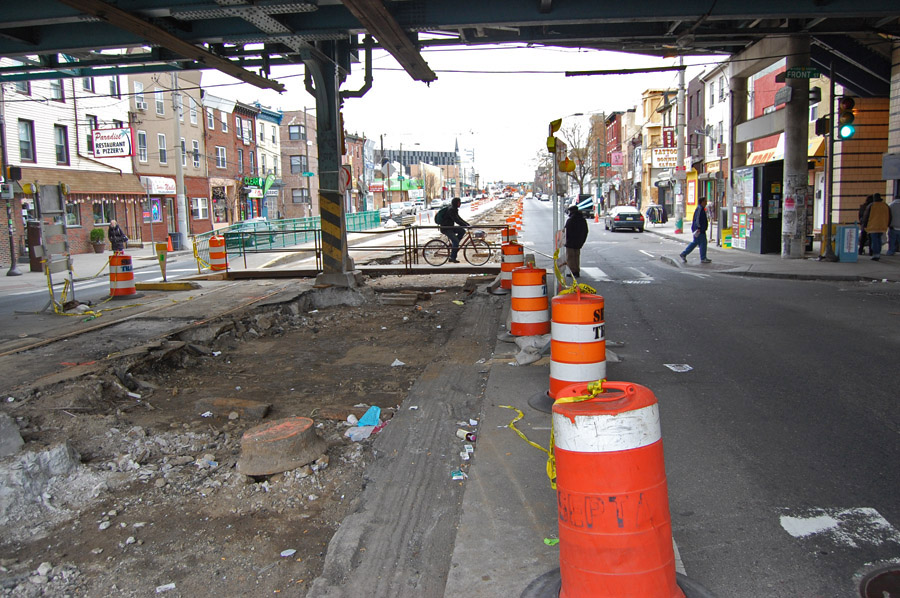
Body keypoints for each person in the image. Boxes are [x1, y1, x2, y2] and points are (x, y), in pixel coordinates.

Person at [679, 197, 710, 264]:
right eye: (705, 201)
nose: (706, 203)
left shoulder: (701, 209)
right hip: (699, 230)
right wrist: (699, 228)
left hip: (699, 229)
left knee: (696, 242)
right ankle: (703, 258)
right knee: (703, 243)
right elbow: (697, 219)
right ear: (702, 202)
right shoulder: (699, 209)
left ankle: (684, 254)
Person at [862, 193, 891, 261]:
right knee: (879, 240)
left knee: (874, 240)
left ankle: (876, 254)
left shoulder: (871, 205)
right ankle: (878, 252)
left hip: (873, 226)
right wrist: (887, 224)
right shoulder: (885, 205)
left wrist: (864, 225)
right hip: (882, 226)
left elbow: (866, 216)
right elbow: (890, 216)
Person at [439, 197, 469, 263]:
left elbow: (459, 218)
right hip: (446, 228)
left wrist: (466, 224)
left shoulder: (454, 209)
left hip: (450, 227)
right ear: (456, 203)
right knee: (455, 241)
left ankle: (454, 245)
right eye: (459, 202)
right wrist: (465, 225)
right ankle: (452, 257)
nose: (460, 204)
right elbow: (456, 220)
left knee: (462, 231)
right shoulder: (451, 210)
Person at [564, 205, 588, 278]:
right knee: (576, 257)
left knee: (570, 257)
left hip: (570, 242)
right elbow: (585, 231)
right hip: (579, 241)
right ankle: (577, 270)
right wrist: (582, 240)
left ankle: (573, 271)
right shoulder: (582, 219)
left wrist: (565, 240)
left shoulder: (571, 220)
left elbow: (566, 231)